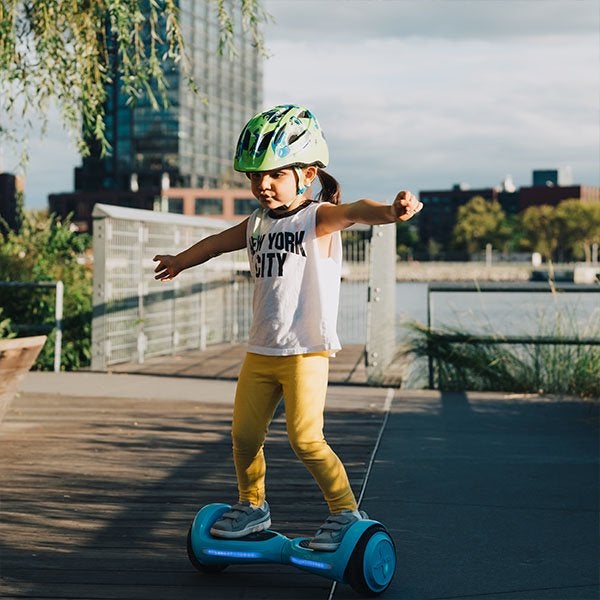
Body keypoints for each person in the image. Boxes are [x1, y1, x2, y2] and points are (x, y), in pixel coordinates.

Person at [153, 104, 423, 551]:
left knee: (305, 437)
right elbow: (217, 244)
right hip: (261, 349)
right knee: (243, 435)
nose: (262, 184)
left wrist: (394, 212)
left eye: (275, 174)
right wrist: (181, 261)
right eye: (255, 176)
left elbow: (358, 210)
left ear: (308, 174)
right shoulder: (257, 222)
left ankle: (345, 511)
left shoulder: (315, 217)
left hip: (305, 350)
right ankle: (252, 506)